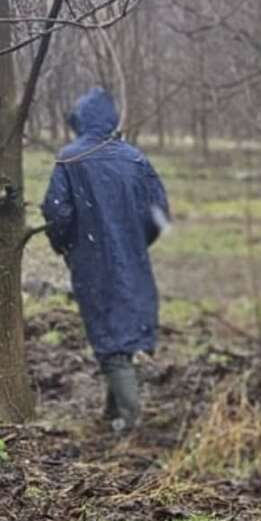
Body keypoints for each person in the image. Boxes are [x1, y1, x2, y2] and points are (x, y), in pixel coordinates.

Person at [42, 88, 170, 432]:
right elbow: (159, 214)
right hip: (130, 258)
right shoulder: (135, 158)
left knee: (110, 336)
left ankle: (129, 420)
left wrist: (68, 247)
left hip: (92, 260)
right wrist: (135, 242)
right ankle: (112, 414)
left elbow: (56, 212)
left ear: (80, 121)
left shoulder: (71, 159)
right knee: (119, 330)